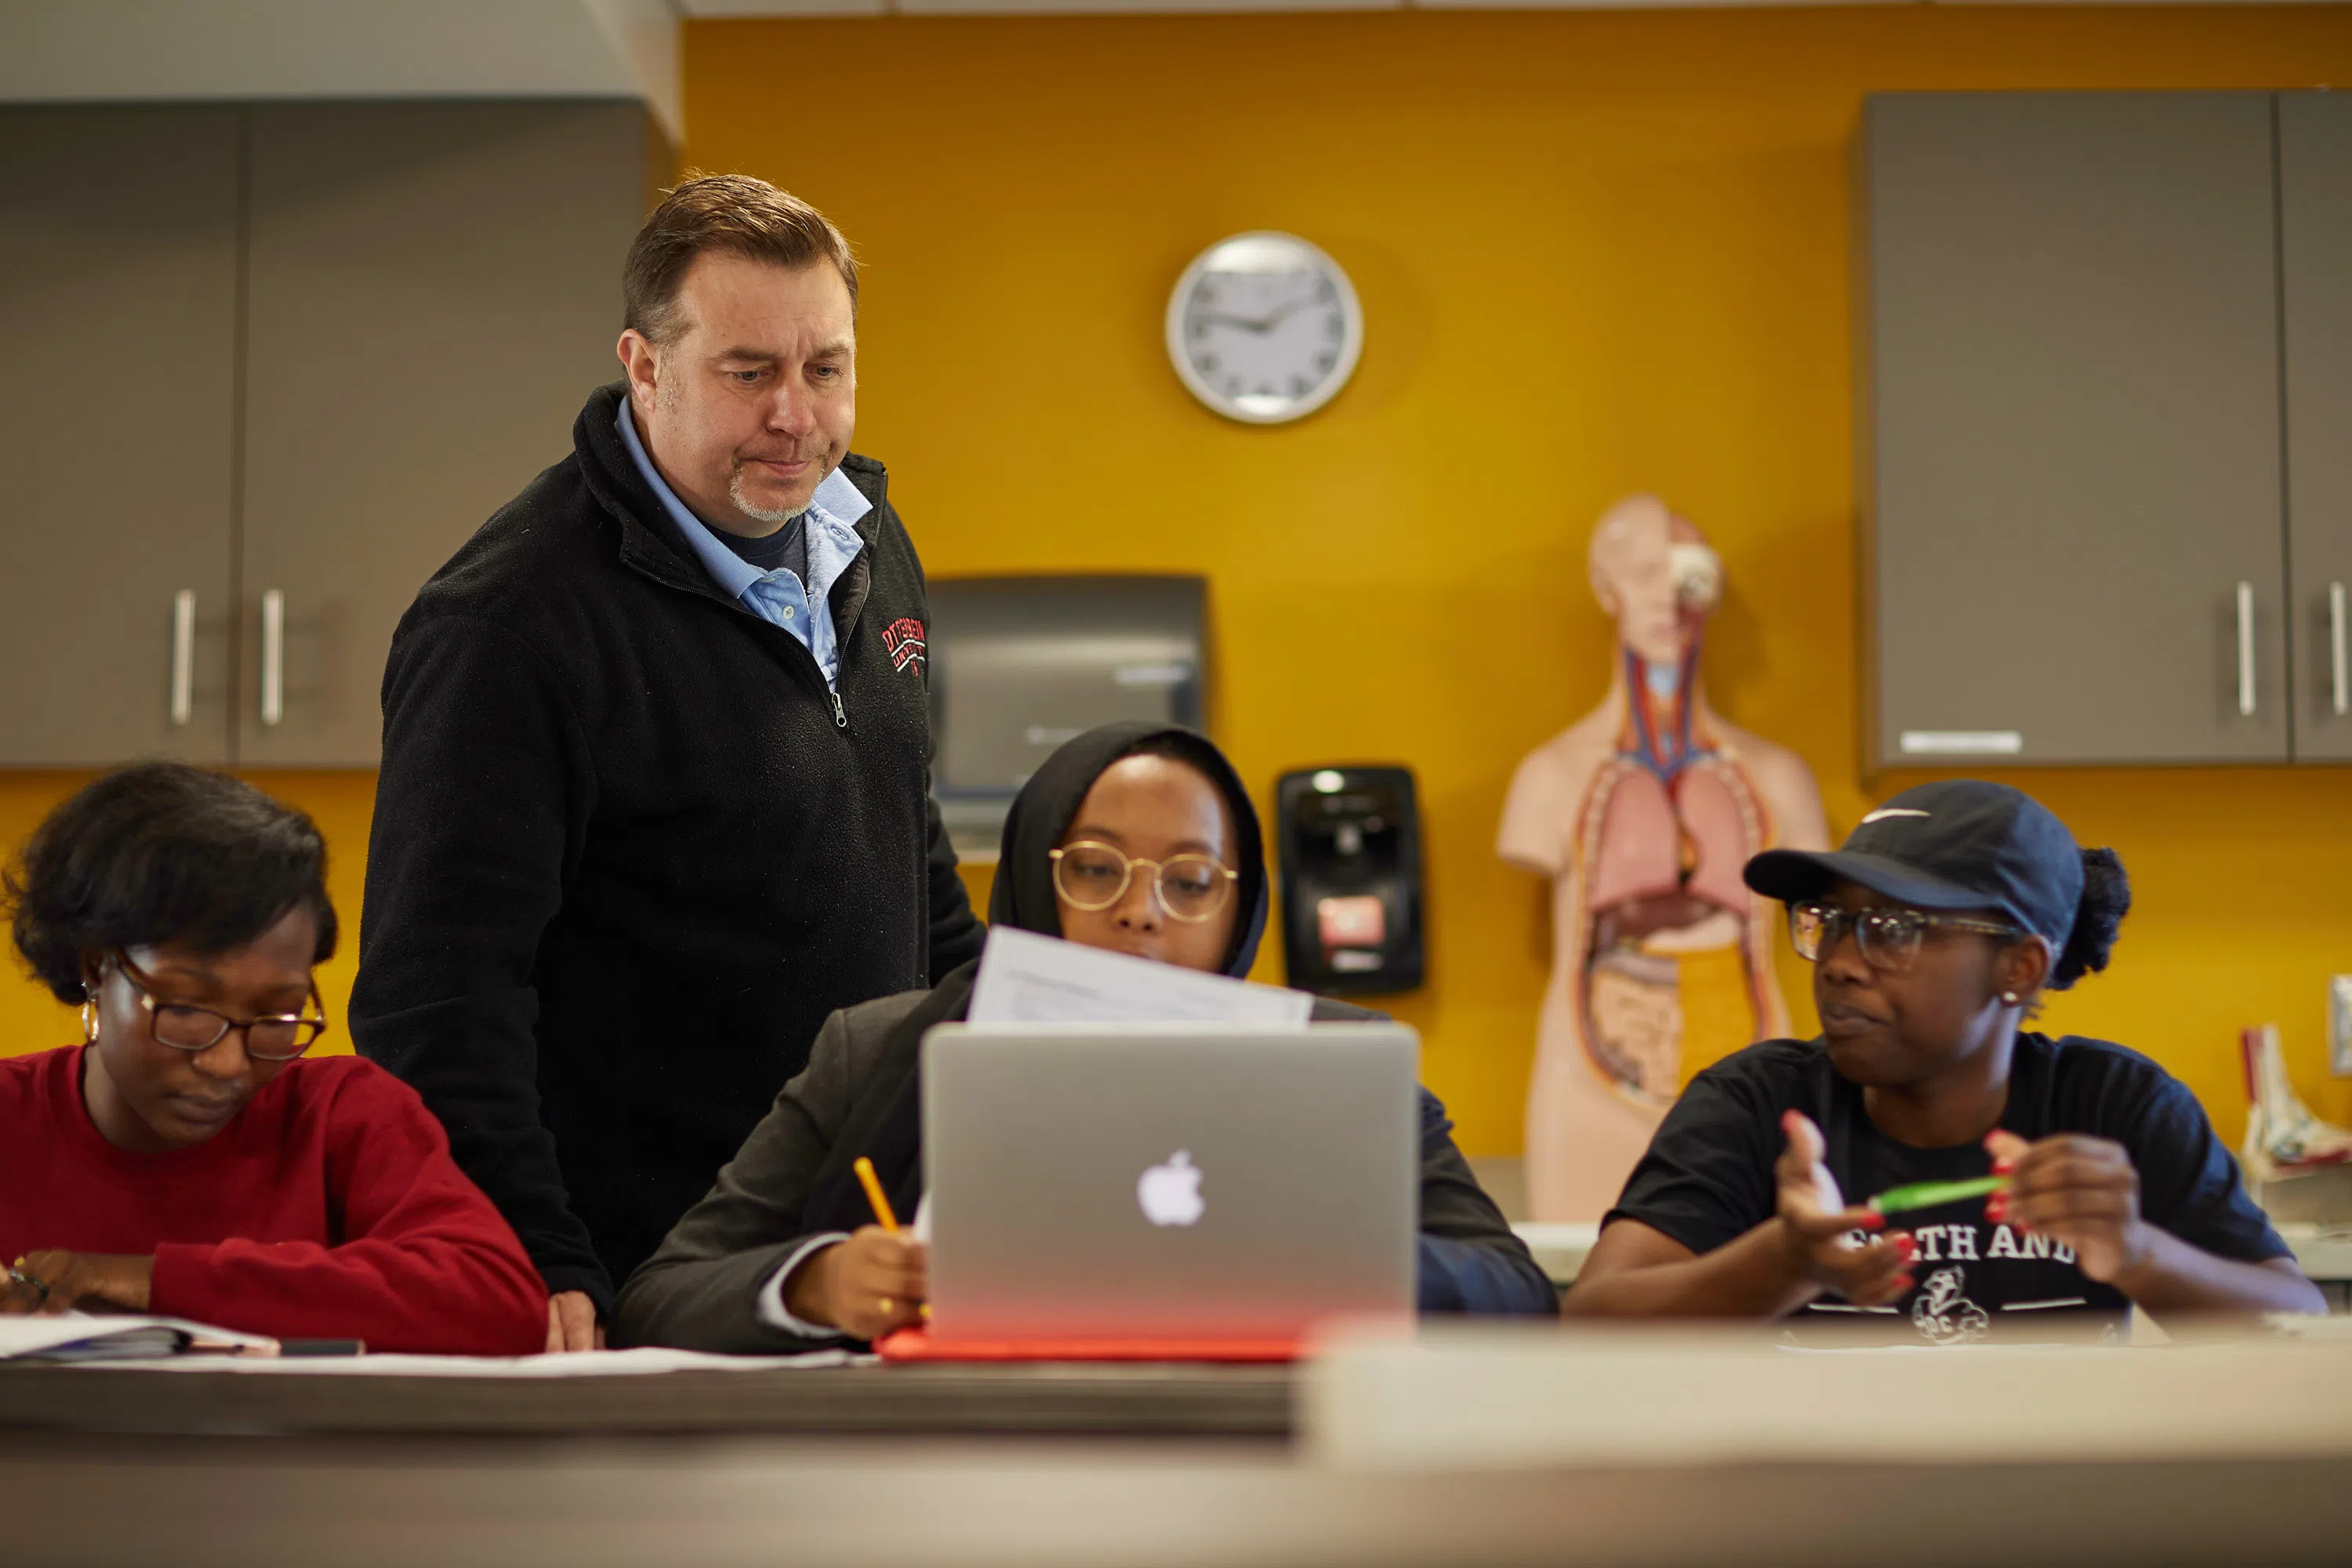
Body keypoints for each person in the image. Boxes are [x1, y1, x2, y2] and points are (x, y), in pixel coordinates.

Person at [350, 175, 983, 1351]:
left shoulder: (865, 542)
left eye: (827, 368)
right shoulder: (509, 626)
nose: (797, 416)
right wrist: (533, 1253)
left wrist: (1025, 1094)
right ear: (645, 368)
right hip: (648, 1280)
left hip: (868, 1252)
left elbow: (910, 857)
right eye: (749, 373)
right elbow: (437, 997)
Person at [612, 722, 1557, 1349]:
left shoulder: (1341, 1059)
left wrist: (1341, 1255)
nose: (1141, 913)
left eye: (1190, 880)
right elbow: (661, 1293)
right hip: (936, 1478)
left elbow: (1520, 1291)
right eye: (1096, 868)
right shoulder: (877, 1051)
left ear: (1243, 906)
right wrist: (816, 1282)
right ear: (1031, 871)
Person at [1562, 779, 2322, 1341]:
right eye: (1830, 922)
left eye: (1891, 927)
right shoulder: (1760, 1103)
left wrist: (2137, 1250)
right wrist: (1784, 1261)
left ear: (2018, 966)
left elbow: (2295, 1326)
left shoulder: (2110, 1105)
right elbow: (1591, 1323)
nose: (1837, 961)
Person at [0, 764, 546, 1354]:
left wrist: (151, 1280)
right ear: (94, 968)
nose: (229, 1064)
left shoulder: (343, 1116)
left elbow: (498, 1302)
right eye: (185, 1009)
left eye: (278, 1015)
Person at [1497, 494, 1830, 1224]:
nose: (1668, 599)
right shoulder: (1551, 776)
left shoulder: (1777, 780)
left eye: (1685, 575)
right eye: (1645, 573)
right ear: (1605, 588)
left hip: (1743, 1066)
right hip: (1590, 1078)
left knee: (1751, 1290)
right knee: (1593, 1291)